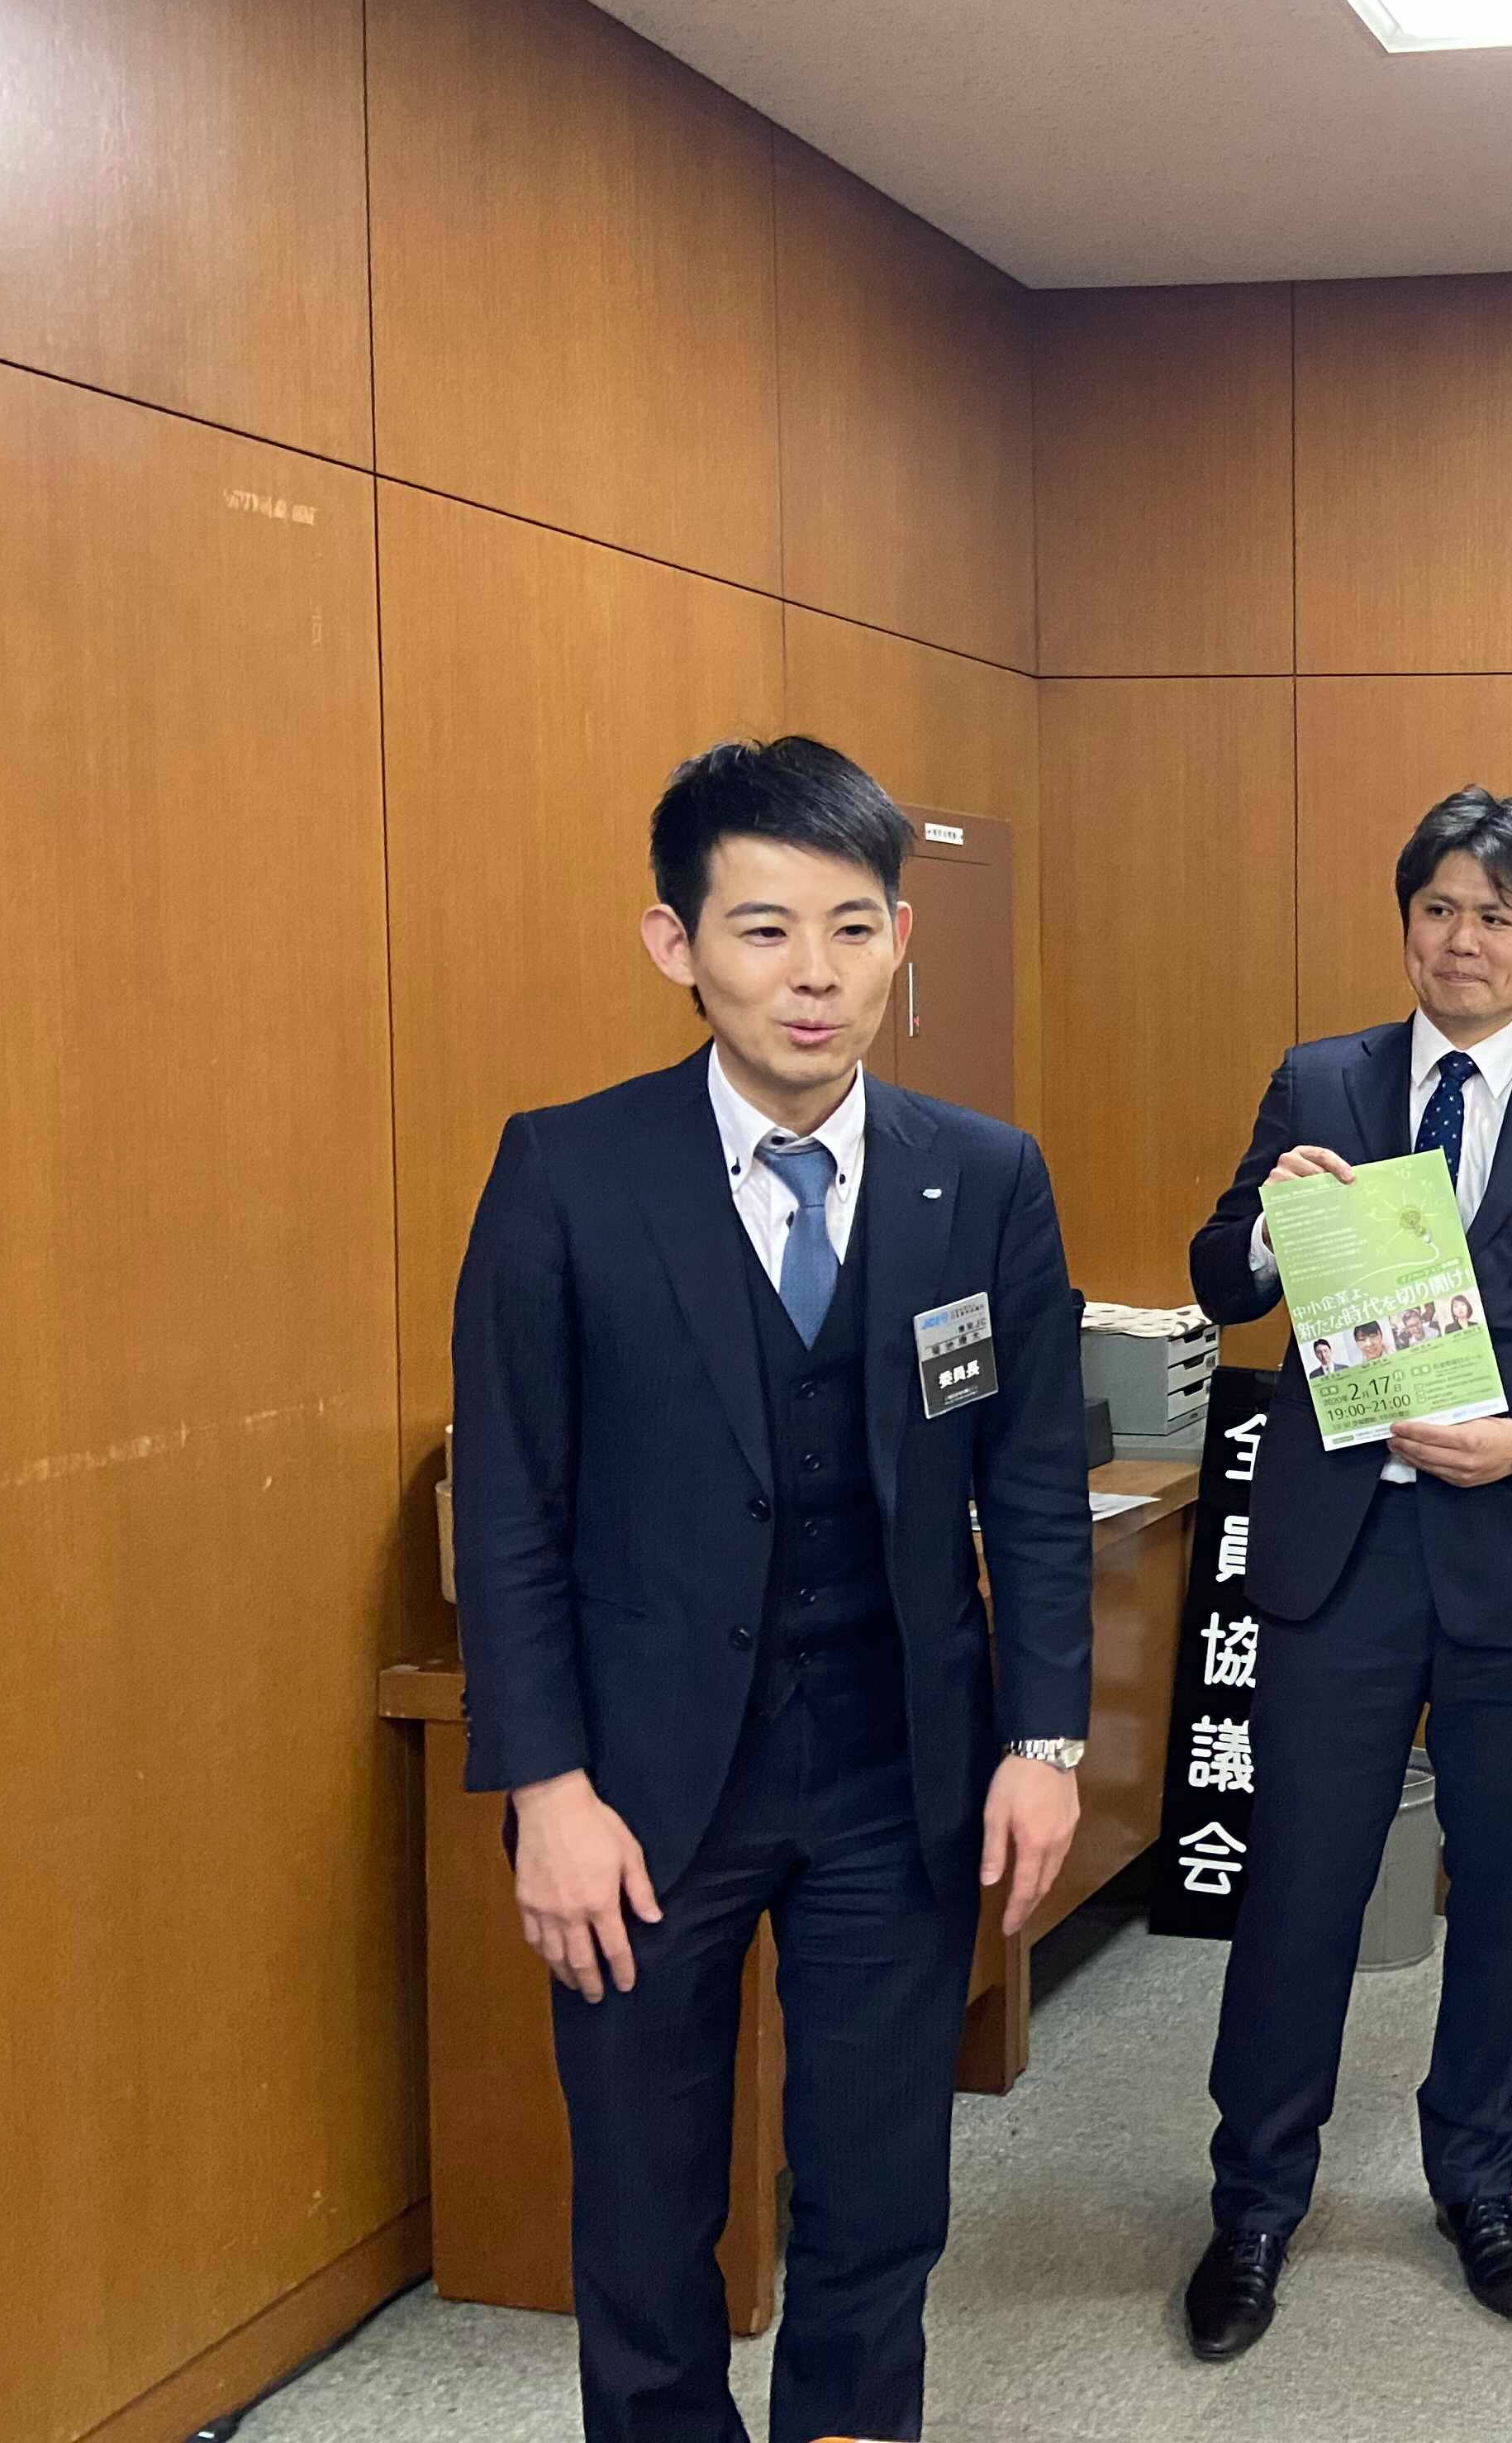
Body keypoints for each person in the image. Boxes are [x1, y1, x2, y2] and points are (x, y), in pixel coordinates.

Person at [452, 737, 1091, 2443]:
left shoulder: (985, 1176)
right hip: (639, 1786)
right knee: (645, 2210)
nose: (815, 975)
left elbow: (1034, 1483)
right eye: (763, 930)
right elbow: (512, 1508)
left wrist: (1045, 1741)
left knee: (881, 2195)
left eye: (853, 928)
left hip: (897, 1765)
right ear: (675, 943)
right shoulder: (568, 1171)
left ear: (900, 942)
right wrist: (545, 1790)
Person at [1178, 790, 1512, 2355]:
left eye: (1499, 918)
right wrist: (1270, 1233)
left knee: (1504, 1885)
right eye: (1440, 910)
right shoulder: (1320, 1078)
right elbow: (1220, 1275)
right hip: (1338, 1556)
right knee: (1299, 1886)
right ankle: (1255, 2201)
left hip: (1511, 1557)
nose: (1465, 941)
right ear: (1406, 923)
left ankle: (1476, 2175)